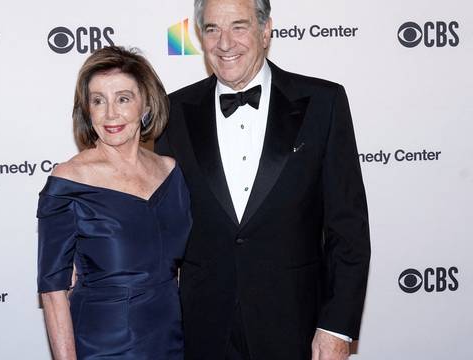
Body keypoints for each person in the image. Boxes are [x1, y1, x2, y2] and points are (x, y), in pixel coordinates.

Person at [155, 0, 370, 359]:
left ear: (266, 30)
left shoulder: (323, 103)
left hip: (295, 327)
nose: (224, 43)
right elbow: (160, 227)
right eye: (212, 29)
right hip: (202, 331)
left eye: (238, 26)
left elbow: (347, 229)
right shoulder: (173, 113)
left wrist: (336, 328)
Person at [36, 46, 191, 359]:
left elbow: (179, 269)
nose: (110, 114)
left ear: (145, 105)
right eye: (98, 100)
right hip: (104, 345)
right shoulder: (70, 180)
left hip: (172, 338)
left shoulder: (171, 171)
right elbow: (53, 291)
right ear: (87, 110)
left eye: (123, 98)